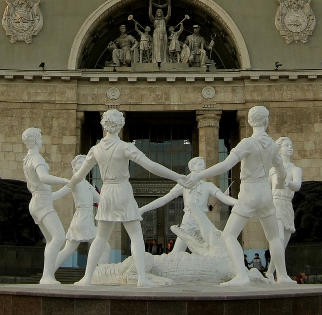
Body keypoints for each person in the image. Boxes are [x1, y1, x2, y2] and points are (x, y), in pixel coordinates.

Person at [67, 109, 191, 287]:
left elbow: (78, 176)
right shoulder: (125, 147)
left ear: (104, 125)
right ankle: (142, 278)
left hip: (107, 191)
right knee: (135, 235)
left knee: (101, 237)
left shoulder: (95, 150)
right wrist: (177, 176)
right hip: (122, 190)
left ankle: (87, 278)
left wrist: (69, 185)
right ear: (120, 125)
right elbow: (151, 166)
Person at [186, 105, 295, 285]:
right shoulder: (273, 146)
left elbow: (226, 165)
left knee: (229, 235)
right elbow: (282, 174)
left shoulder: (247, 143)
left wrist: (199, 175)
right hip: (266, 194)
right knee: (274, 237)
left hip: (249, 191)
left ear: (250, 122)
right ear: (266, 122)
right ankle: (282, 276)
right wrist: (281, 183)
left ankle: (241, 276)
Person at [138, 156, 237, 254]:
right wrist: (143, 209)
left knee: (215, 250)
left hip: (203, 223)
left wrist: (238, 203)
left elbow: (224, 198)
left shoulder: (208, 186)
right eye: (199, 164)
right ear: (192, 168)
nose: (203, 167)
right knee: (177, 252)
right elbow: (164, 199)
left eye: (203, 165)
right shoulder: (184, 184)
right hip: (188, 222)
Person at [21, 127, 73, 284]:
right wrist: (64, 180)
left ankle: (48, 275)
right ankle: (47, 276)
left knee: (51, 240)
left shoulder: (27, 159)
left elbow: (48, 192)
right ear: (36, 140)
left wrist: (67, 187)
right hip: (42, 202)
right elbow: (43, 177)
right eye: (41, 138)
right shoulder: (36, 158)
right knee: (59, 237)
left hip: (37, 201)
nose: (42, 141)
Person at [55, 155, 102, 269]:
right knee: (103, 246)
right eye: (81, 163)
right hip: (83, 219)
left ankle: (48, 271)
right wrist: (48, 197)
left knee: (68, 250)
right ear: (75, 168)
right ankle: (100, 273)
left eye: (85, 163)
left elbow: (101, 200)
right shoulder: (75, 182)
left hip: (85, 219)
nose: (84, 165)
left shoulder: (87, 184)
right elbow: (62, 192)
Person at [267, 137, 303, 281]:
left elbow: (298, 185)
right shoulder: (272, 170)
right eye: (286, 145)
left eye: (291, 145)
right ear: (279, 149)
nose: (290, 147)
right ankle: (283, 274)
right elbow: (268, 189)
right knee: (279, 238)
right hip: (275, 204)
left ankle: (270, 271)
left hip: (287, 204)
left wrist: (287, 182)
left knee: (284, 242)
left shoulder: (295, 169)